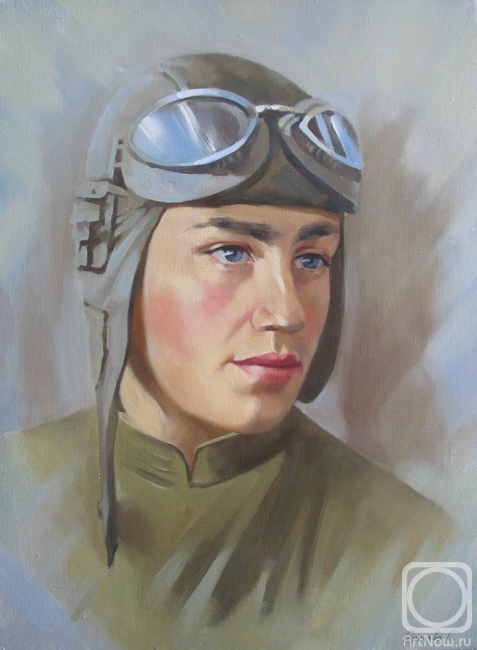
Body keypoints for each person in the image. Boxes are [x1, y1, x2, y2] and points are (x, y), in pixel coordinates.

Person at [0, 53, 452, 650]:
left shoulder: (415, 553)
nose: (287, 311)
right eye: (231, 252)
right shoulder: (13, 502)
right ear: (114, 263)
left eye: (312, 259)